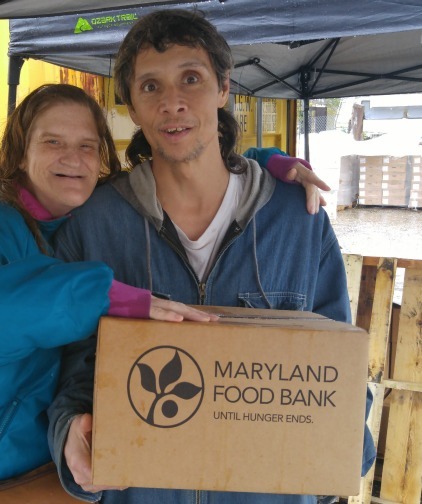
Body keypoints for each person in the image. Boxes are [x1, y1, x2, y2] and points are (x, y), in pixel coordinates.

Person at [47, 9, 376, 504]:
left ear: (223, 88)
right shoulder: (93, 225)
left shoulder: (298, 219)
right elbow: (69, 368)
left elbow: (339, 368)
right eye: (151, 86)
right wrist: (70, 431)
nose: (172, 103)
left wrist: (334, 456)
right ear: (132, 107)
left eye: (191, 79)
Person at [0, 83, 217, 504]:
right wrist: (98, 297)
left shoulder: (79, 222)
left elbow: (190, 168)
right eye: (53, 142)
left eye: (86, 146)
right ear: (20, 154)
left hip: (36, 478)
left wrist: (271, 165)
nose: (73, 158)